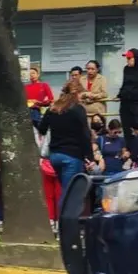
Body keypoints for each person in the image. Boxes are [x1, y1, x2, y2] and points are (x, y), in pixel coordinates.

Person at [37, 80, 95, 230]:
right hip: (72, 156)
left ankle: (61, 224)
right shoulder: (78, 109)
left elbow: (42, 128)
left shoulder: (54, 108)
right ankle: (66, 227)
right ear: (77, 93)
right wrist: (90, 157)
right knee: (70, 193)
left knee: (65, 189)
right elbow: (85, 134)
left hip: (55, 156)